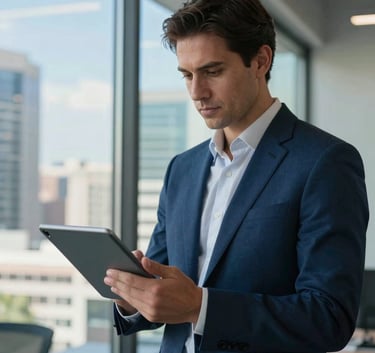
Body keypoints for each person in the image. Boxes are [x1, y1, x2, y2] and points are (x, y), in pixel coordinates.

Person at [104, 0, 369, 352]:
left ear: (261, 61)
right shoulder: (181, 169)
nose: (197, 92)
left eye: (212, 71)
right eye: (187, 75)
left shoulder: (326, 162)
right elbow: (167, 289)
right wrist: (132, 298)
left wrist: (201, 306)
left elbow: (329, 317)